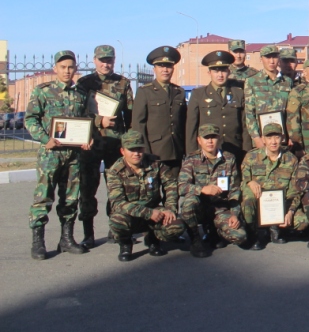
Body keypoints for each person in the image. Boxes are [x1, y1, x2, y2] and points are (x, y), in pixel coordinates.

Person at [26, 50, 92, 259]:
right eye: (63, 67)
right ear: (55, 69)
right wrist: (45, 139)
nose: (67, 71)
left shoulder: (80, 94)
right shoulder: (43, 91)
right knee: (43, 197)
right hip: (51, 154)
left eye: (70, 67)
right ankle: (38, 242)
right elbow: (30, 119)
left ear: (75, 69)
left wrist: (88, 138)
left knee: (71, 198)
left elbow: (86, 119)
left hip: (73, 156)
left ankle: (66, 239)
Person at [77, 43, 134, 248]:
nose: (106, 64)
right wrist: (97, 121)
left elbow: (129, 115)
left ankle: (115, 228)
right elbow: (78, 113)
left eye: (109, 60)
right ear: (94, 61)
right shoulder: (84, 83)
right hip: (91, 143)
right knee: (87, 188)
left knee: (116, 188)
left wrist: (129, 143)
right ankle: (88, 233)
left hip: (114, 143)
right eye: (102, 60)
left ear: (114, 61)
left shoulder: (122, 83)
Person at [105, 130, 184, 261]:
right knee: (117, 221)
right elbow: (118, 203)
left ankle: (153, 239)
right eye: (131, 150)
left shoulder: (155, 163)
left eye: (139, 149)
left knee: (177, 226)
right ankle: (125, 244)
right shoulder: (115, 171)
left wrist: (169, 208)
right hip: (130, 214)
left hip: (154, 210)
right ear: (123, 151)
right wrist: (148, 213)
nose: (136, 153)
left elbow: (170, 184)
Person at [178, 124, 248, 258]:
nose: (210, 141)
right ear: (199, 140)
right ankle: (195, 240)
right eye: (206, 138)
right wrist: (202, 189)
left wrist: (234, 214)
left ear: (219, 139)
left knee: (240, 236)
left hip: (220, 208)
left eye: (213, 137)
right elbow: (182, 186)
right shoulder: (191, 159)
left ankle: (215, 231)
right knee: (188, 203)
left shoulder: (229, 159)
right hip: (199, 207)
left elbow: (234, 189)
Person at [240, 122, 305, 249]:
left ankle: (277, 229)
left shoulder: (291, 159)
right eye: (269, 138)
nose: (273, 142)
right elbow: (243, 181)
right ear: (263, 139)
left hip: (280, 206)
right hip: (258, 205)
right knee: (248, 197)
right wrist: (250, 182)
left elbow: (295, 189)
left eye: (276, 137)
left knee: (302, 221)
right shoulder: (251, 156)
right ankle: (255, 233)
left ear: (282, 138)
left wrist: (290, 211)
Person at [133, 46, 187, 178]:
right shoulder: (145, 91)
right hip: (154, 151)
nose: (165, 70)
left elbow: (184, 122)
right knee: (153, 192)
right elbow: (138, 124)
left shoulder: (179, 92)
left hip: (176, 150)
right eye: (161, 66)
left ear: (173, 69)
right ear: (154, 69)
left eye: (168, 66)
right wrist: (143, 150)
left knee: (173, 193)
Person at [185, 50, 247, 161]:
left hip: (235, 149)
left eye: (223, 70)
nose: (220, 75)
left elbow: (245, 126)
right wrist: (192, 154)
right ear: (209, 73)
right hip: (207, 152)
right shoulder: (198, 94)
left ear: (228, 71)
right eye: (216, 71)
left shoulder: (238, 93)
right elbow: (191, 127)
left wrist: (246, 152)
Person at [243, 45, 293, 151]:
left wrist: (292, 134)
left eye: (274, 57)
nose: (271, 61)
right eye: (268, 57)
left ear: (279, 59)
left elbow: (291, 112)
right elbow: (249, 113)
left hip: (282, 137)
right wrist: (256, 138)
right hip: (262, 138)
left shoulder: (287, 81)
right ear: (261, 59)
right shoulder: (252, 81)